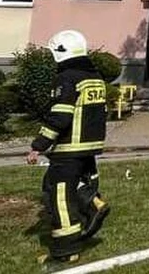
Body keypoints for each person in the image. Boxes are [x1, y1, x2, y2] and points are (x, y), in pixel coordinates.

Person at [26, 30, 112, 266]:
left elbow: (61, 116)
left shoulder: (67, 78)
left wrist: (38, 146)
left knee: (60, 197)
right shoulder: (95, 77)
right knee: (68, 184)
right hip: (90, 145)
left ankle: (66, 251)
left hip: (69, 147)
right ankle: (94, 203)